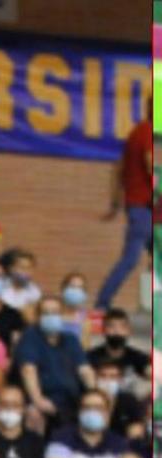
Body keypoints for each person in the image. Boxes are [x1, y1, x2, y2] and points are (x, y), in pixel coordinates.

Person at [95, 98, 151, 309]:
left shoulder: (137, 132)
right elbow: (150, 164)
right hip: (145, 207)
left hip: (141, 206)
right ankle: (102, 303)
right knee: (131, 259)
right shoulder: (147, 132)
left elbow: (117, 169)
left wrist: (115, 202)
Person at [15, 295, 95, 428]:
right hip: (44, 398)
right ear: (38, 317)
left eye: (55, 313)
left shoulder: (71, 339)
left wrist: (94, 395)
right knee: (34, 413)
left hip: (70, 399)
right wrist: (38, 400)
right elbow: (28, 370)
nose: (51, 317)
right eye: (46, 313)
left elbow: (85, 370)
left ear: (62, 315)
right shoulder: (30, 336)